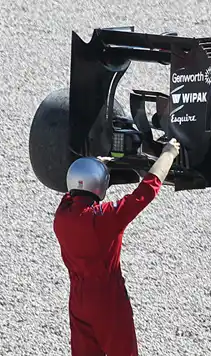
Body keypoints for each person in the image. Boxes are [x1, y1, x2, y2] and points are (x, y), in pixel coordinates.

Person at [53, 138, 180, 356]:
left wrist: (95, 165)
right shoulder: (104, 219)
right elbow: (145, 191)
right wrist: (168, 153)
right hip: (108, 300)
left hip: (78, 299)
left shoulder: (62, 216)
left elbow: (76, 190)